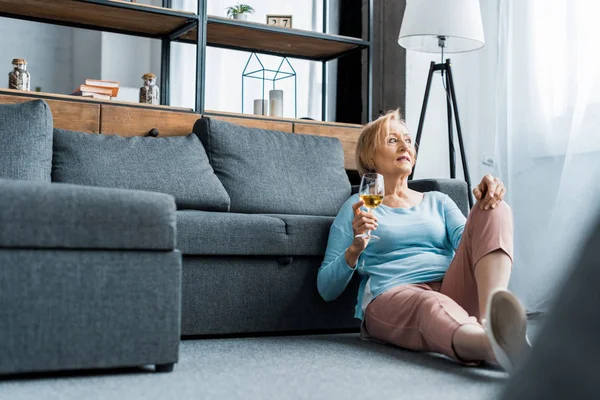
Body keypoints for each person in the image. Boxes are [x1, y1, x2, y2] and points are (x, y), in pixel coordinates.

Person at [318, 109, 531, 372]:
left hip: (453, 289)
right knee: (430, 304)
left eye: (408, 140)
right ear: (370, 156)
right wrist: (355, 249)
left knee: (495, 208)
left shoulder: (438, 201)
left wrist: (488, 196)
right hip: (394, 294)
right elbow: (326, 289)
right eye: (392, 140)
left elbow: (474, 242)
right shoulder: (358, 206)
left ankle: (491, 320)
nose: (405, 145)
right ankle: (493, 346)